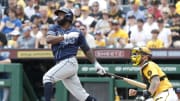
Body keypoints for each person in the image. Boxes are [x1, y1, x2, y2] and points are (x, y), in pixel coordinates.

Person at [42, 7, 106, 101]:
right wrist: (65, 37)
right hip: (61, 64)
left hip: (69, 61)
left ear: (68, 17)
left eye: (61, 15)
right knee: (83, 97)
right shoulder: (54, 27)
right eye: (58, 15)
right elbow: (49, 39)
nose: (58, 17)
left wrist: (96, 64)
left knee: (48, 78)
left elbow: (86, 49)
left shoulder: (77, 32)